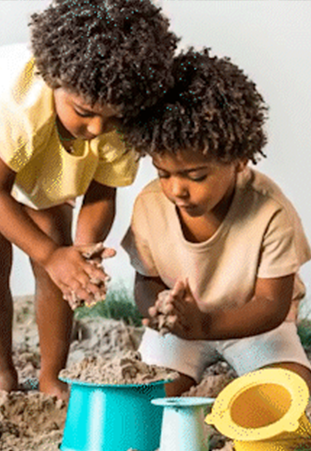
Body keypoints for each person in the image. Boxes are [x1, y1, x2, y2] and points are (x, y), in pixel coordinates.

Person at [0, 0, 178, 399]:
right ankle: (2, 373)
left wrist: (80, 254)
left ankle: (53, 376)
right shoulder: (14, 106)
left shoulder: (119, 124)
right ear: (53, 79)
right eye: (84, 111)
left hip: (51, 165)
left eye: (112, 118)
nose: (97, 127)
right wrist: (52, 256)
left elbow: (102, 192)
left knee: (60, 253)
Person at [121, 49, 311, 396]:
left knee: (288, 393)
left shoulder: (269, 211)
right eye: (164, 173)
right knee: (147, 398)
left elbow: (272, 304)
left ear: (238, 160)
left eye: (195, 175)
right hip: (180, 330)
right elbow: (145, 280)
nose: (177, 189)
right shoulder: (150, 205)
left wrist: (207, 324)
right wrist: (160, 310)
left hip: (255, 327)